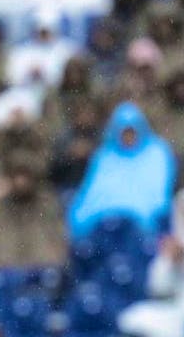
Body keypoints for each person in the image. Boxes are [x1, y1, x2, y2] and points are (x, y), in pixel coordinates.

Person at [68, 102, 176, 239]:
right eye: (124, 132)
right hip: (103, 223)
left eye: (132, 132)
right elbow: (92, 191)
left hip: (140, 227)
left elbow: (157, 191)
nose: (128, 137)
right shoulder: (105, 154)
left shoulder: (157, 152)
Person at [119, 186, 184, 337]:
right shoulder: (174, 243)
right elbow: (156, 287)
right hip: (178, 309)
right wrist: (170, 261)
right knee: (133, 318)